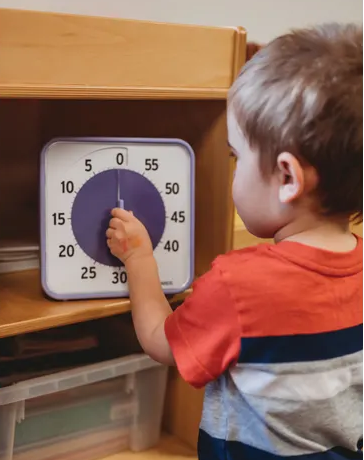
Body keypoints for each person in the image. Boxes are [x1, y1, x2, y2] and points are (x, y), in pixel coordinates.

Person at [107, 22, 364, 459]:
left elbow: (158, 340)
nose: (232, 169)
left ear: (287, 177)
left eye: (235, 156)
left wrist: (139, 258)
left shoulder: (238, 286)